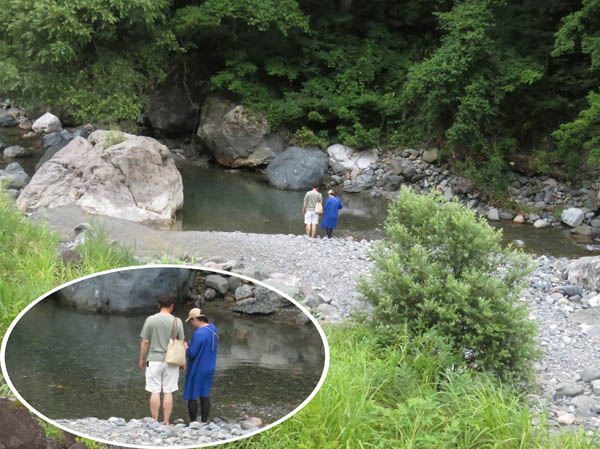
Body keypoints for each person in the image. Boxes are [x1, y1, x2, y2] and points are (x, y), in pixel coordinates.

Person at [139, 293, 185, 425]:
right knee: (168, 391)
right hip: (172, 361)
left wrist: (142, 359)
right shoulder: (177, 321)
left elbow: (145, 342)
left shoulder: (150, 320)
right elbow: (182, 343)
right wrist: (183, 362)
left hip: (154, 359)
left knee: (154, 391)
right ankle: (166, 421)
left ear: (158, 305)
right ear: (172, 306)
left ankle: (154, 420)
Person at [183, 308, 218, 424]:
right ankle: (204, 421)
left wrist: (185, 346)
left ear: (195, 319)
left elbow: (192, 353)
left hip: (198, 368)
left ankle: (193, 423)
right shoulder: (213, 329)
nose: (192, 324)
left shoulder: (198, 333)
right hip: (210, 367)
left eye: (191, 321)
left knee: (192, 395)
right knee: (204, 394)